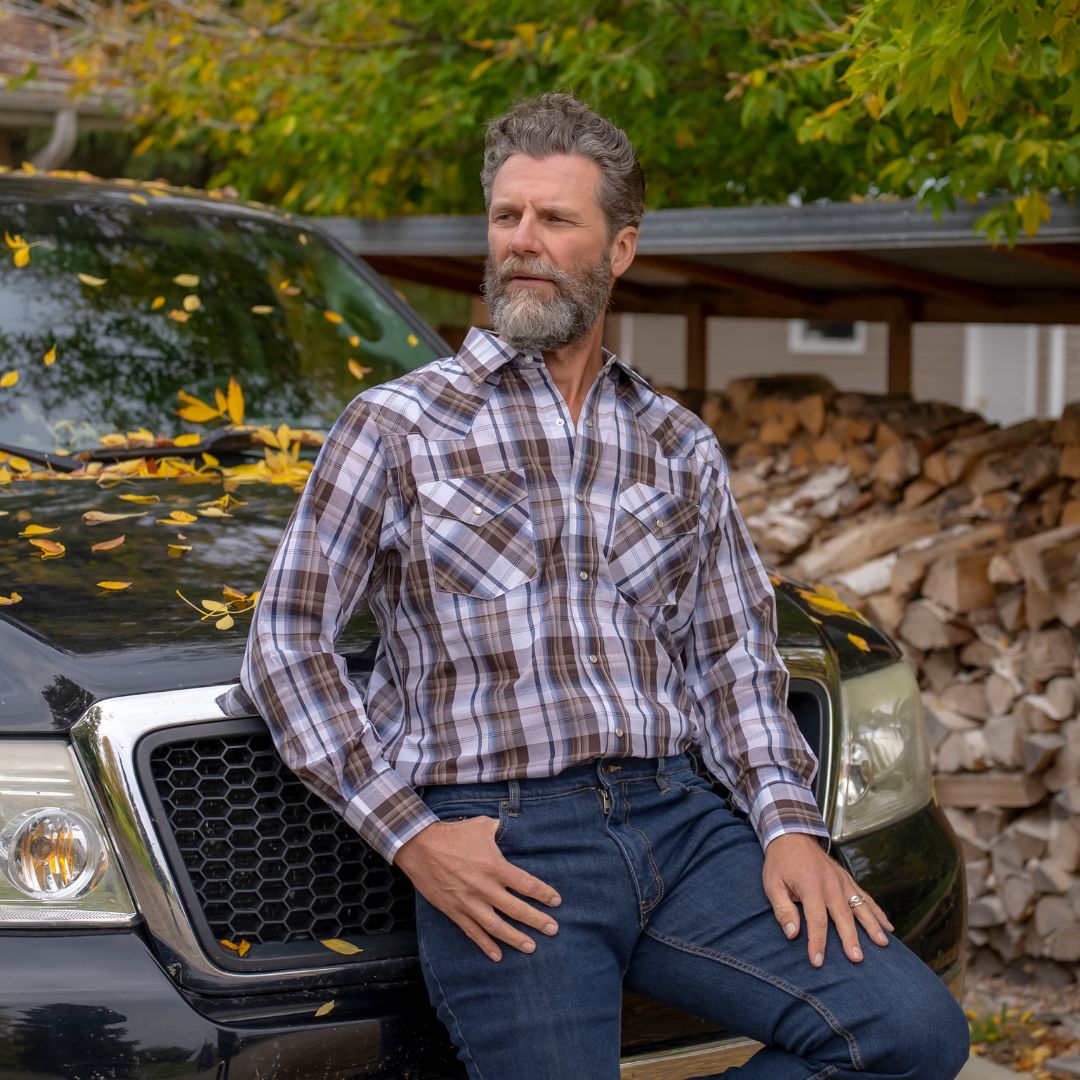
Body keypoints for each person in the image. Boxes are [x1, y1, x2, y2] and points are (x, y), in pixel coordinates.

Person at [239, 92, 970, 1079]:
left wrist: (791, 827)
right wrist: (411, 837)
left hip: (682, 823)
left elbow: (733, 663)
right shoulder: (397, 427)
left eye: (556, 219)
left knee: (911, 1035)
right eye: (507, 218)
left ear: (619, 249)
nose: (523, 242)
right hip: (507, 847)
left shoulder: (677, 445)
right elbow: (284, 646)